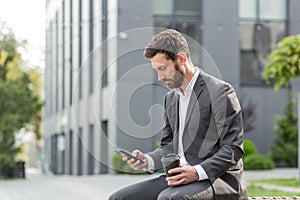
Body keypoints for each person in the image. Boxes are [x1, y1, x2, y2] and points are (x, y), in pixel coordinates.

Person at [108, 29, 248, 200]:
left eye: (162, 69)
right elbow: (169, 147)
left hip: (218, 179)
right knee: (119, 198)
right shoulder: (171, 98)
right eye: (156, 70)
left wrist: (196, 172)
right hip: (180, 178)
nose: (159, 77)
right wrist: (147, 160)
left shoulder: (220, 91)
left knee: (169, 198)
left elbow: (232, 148)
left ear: (181, 59)